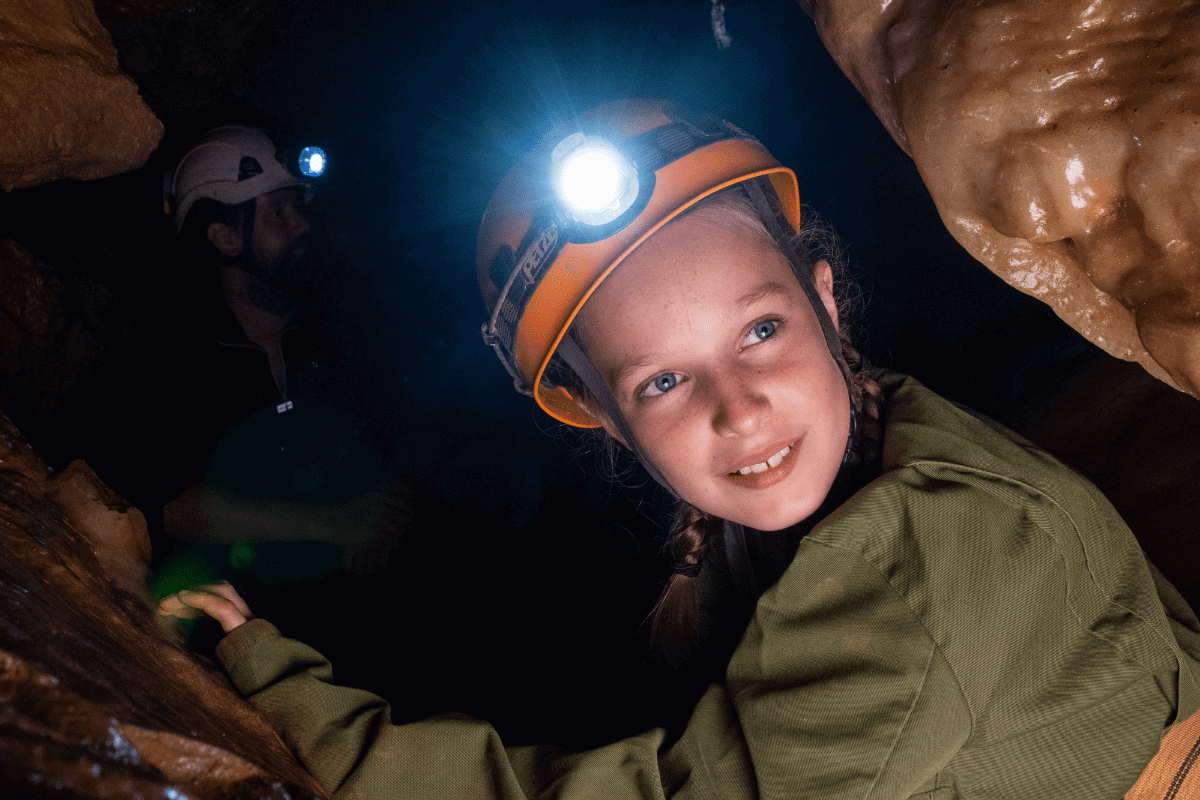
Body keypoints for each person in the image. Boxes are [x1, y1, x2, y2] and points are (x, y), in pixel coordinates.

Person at [161, 100, 1200, 799]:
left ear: (826, 302)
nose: (738, 409)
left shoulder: (920, 549)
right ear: (606, 417)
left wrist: (292, 694)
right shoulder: (872, 439)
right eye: (663, 379)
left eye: (760, 330)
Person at [158, 126, 408, 576]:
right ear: (226, 238)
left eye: (298, 206)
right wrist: (330, 524)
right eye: (278, 214)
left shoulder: (337, 329)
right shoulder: (182, 357)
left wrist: (391, 502)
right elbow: (171, 509)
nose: (303, 223)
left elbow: (399, 428)